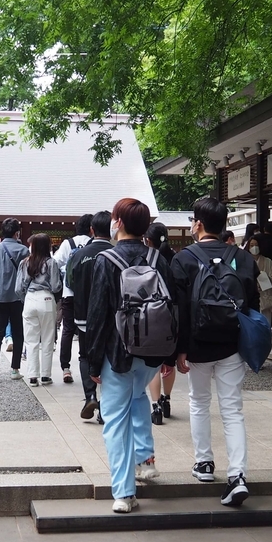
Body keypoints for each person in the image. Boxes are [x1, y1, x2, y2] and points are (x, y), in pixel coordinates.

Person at [85, 198, 175, 513]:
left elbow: (98, 315)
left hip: (117, 354)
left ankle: (124, 492)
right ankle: (145, 458)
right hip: (151, 355)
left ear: (119, 223)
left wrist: (93, 362)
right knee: (137, 399)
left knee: (115, 421)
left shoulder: (106, 260)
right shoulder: (158, 258)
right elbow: (172, 306)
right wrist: (170, 352)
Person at [171, 197, 259, 506]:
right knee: (232, 409)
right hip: (233, 344)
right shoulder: (243, 258)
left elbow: (179, 309)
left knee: (199, 402)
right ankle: (237, 475)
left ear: (198, 224)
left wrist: (179, 350)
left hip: (197, 345)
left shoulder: (183, 259)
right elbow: (253, 305)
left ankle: (204, 463)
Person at [67, 210, 113, 422]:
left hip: (84, 315)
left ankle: (90, 396)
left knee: (85, 355)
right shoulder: (116, 253)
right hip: (112, 318)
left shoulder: (79, 254)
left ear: (92, 230)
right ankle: (105, 407)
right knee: (108, 359)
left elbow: (69, 282)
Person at [0, 218, 29, 382]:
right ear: (17, 233)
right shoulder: (23, 250)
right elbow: (27, 273)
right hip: (17, 298)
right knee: (18, 333)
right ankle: (15, 369)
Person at [18, 232, 63, 386]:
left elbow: (19, 288)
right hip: (47, 299)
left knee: (31, 341)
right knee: (48, 339)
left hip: (30, 299)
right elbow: (57, 285)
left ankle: (32, 376)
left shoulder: (24, 263)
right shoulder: (51, 263)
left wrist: (26, 298)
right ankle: (45, 375)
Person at [144, 222, 177, 424]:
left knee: (154, 364)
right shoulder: (174, 258)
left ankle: (155, 406)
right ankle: (167, 398)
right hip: (172, 316)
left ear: (148, 240)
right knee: (169, 362)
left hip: (151, 317)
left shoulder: (147, 260)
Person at [54, 214, 92, 384]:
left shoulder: (68, 244)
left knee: (68, 330)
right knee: (88, 329)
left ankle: (66, 368)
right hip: (89, 294)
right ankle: (88, 363)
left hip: (69, 293)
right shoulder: (93, 244)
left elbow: (55, 263)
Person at [247, 229, 272, 328]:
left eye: (256, 245)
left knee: (265, 322)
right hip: (250, 296)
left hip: (265, 295)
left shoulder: (267, 261)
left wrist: (266, 278)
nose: (254, 247)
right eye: (251, 245)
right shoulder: (245, 260)